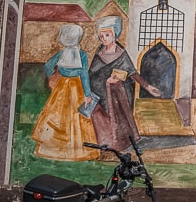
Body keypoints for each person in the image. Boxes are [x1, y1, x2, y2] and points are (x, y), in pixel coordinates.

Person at [89, 16, 161, 150]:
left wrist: (147, 86)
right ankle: (104, 142)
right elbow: (92, 74)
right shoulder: (99, 54)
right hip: (99, 93)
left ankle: (118, 143)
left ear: (114, 35)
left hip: (116, 95)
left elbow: (131, 72)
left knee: (118, 120)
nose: (104, 38)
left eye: (107, 35)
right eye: (101, 36)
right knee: (101, 120)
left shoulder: (121, 54)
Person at [31, 24, 100, 161]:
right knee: (73, 118)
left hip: (63, 87)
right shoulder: (81, 55)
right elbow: (84, 74)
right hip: (76, 87)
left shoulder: (62, 53)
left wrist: (53, 76)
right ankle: (75, 151)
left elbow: (48, 65)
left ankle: (56, 149)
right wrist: (87, 94)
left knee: (61, 116)